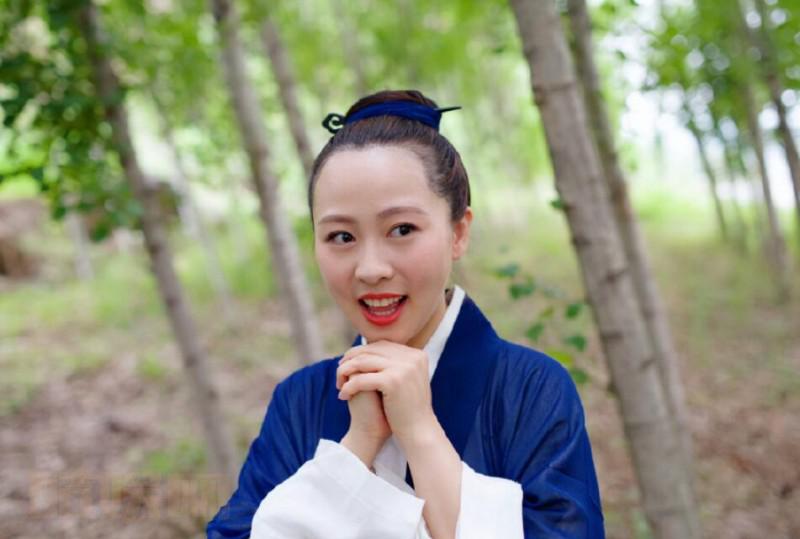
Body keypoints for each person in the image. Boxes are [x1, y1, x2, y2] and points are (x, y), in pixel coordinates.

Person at [206, 89, 604, 538]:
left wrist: (420, 430)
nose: (371, 269)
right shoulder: (300, 401)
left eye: (401, 229)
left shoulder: (531, 389)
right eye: (341, 237)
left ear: (458, 232)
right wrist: (357, 446)